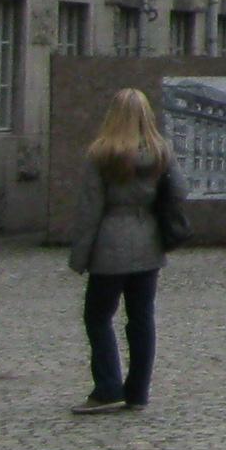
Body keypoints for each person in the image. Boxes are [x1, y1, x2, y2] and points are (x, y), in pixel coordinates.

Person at [66, 88, 187, 413]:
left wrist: (79, 255)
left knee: (98, 316)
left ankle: (107, 386)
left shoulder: (102, 154)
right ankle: (137, 391)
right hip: (148, 242)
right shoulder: (162, 152)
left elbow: (89, 209)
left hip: (109, 244)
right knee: (141, 318)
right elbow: (179, 192)